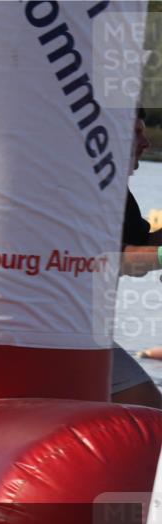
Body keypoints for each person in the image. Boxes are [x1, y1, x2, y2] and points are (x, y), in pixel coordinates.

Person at [112, 107, 162, 409]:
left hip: (76, 335)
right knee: (153, 420)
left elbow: (141, 244)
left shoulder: (119, 192)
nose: (147, 143)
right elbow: (114, 260)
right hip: (50, 332)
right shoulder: (90, 189)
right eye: (137, 133)